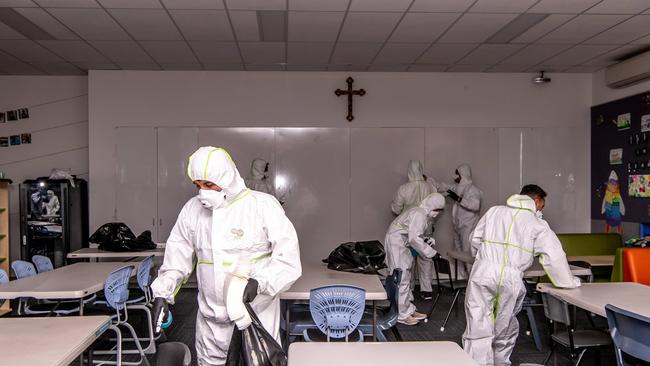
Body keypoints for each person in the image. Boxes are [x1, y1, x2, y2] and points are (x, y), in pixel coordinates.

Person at [150, 146, 302, 365]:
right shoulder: (191, 211)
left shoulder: (262, 206)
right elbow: (177, 258)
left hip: (256, 323)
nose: (203, 192)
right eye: (198, 185)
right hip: (211, 327)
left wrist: (260, 282)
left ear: (227, 179)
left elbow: (288, 261)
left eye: (209, 185)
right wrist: (162, 293)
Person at [462, 184, 581, 366]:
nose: (541, 208)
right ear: (536, 200)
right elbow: (554, 256)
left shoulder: (494, 211)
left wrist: (483, 258)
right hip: (511, 278)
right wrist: (568, 282)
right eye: (542, 204)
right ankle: (500, 362)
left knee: (477, 326)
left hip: (483, 272)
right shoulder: (537, 224)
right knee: (504, 326)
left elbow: (474, 239)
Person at [385, 192, 445, 326]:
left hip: (401, 243)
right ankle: (401, 314)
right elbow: (414, 239)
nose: (437, 214)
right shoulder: (420, 214)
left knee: (406, 276)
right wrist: (431, 253)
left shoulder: (420, 213)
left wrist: (425, 240)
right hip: (397, 243)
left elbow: (413, 234)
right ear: (432, 206)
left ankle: (408, 309)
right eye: (437, 210)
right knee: (401, 278)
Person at [391, 160, 438, 300]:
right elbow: (436, 206)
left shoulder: (403, 188)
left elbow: (396, 208)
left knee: (407, 259)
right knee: (425, 258)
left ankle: (409, 290)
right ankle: (427, 290)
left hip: (408, 229)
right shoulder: (430, 187)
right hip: (426, 227)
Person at [439, 164, 482, 278]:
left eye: (457, 173)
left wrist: (458, 199)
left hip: (468, 227)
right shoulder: (460, 187)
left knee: (468, 255)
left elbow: (475, 205)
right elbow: (444, 188)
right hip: (458, 227)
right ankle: (463, 280)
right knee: (459, 254)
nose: (455, 176)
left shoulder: (472, 190)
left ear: (463, 175)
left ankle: (472, 282)